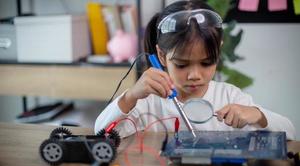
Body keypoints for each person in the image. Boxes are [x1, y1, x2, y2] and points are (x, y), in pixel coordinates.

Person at [95, 0, 295, 140]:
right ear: (162, 56)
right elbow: (100, 133)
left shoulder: (229, 96)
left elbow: (290, 132)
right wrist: (129, 97)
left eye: (207, 63)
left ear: (218, 51)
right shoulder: (147, 102)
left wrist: (257, 115)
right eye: (182, 65)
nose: (195, 75)